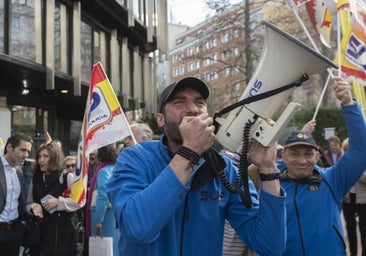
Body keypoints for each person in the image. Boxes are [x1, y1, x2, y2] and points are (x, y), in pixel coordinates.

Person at [107, 77, 286, 256]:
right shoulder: (135, 158)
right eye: (179, 102)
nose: (193, 109)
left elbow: (269, 247)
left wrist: (268, 168)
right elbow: (137, 229)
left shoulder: (224, 168)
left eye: (200, 103)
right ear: (160, 119)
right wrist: (189, 151)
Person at [278, 76, 366, 255]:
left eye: (308, 153)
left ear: (317, 155)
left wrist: (349, 104)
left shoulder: (331, 179)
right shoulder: (272, 186)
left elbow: (360, 151)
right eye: (295, 153)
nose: (302, 160)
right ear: (284, 155)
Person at [26, 143, 81, 255]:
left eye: (45, 156)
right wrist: (33, 207)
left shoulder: (67, 177)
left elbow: (79, 201)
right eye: (39, 157)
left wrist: (59, 202)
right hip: (40, 232)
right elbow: (28, 202)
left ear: (54, 158)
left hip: (61, 235)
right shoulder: (35, 177)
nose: (41, 160)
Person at [0, 133, 33, 256]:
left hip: (14, 232)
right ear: (9, 148)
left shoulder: (19, 172)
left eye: (28, 151)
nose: (26, 155)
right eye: (22, 150)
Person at [87, 144, 119, 256]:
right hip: (114, 214)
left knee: (103, 249)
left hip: (104, 216)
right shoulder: (116, 169)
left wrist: (98, 220)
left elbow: (103, 195)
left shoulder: (103, 171)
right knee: (113, 249)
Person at [342, 138, 366, 256]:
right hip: (347, 199)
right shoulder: (345, 160)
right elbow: (340, 179)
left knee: (364, 230)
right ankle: (352, 253)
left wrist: (356, 171)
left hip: (363, 200)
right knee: (350, 230)